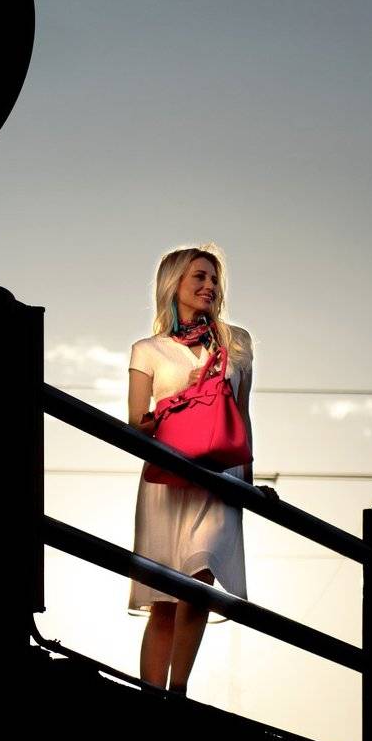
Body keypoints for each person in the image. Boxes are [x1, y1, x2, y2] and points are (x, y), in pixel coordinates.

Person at [127, 245, 253, 697]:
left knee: (199, 580)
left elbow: (242, 414)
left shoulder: (236, 344)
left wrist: (249, 485)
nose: (209, 286)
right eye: (199, 276)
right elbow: (134, 419)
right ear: (174, 283)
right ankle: (151, 694)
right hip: (168, 475)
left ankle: (178, 692)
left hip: (222, 478)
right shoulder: (149, 350)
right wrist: (163, 418)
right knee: (163, 598)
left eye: (214, 279)